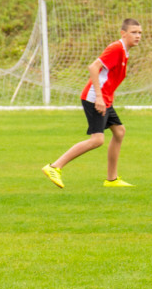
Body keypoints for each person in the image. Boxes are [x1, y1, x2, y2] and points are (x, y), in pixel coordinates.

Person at [41, 19, 142, 188]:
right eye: (133, 32)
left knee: (119, 132)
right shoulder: (116, 48)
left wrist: (107, 96)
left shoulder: (124, 51)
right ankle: (54, 167)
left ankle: (112, 179)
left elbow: (109, 77)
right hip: (95, 98)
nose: (137, 36)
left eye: (139, 33)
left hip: (104, 98)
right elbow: (93, 67)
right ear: (123, 33)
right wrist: (99, 98)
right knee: (97, 140)